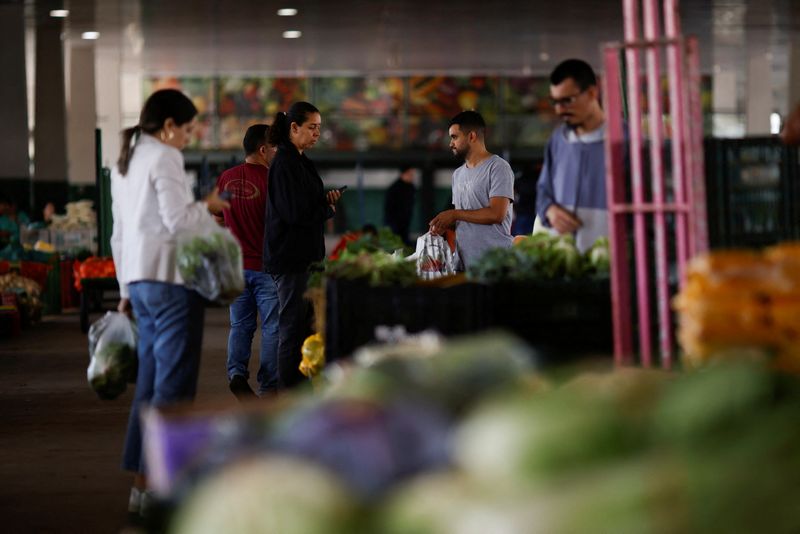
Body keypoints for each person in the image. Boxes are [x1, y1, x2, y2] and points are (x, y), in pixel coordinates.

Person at [109, 89, 229, 519]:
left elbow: (119, 234)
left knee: (151, 387)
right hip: (171, 282)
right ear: (168, 127)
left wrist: (125, 289)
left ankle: (141, 489)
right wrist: (208, 206)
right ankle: (159, 490)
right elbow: (179, 220)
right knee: (174, 389)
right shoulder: (164, 157)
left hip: (140, 283)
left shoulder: (124, 162)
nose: (189, 137)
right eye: (187, 129)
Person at [263, 102, 341, 389]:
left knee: (305, 326)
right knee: (292, 329)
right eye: (312, 127)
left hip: (305, 257)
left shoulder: (299, 160)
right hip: (292, 259)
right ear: (293, 128)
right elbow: (294, 213)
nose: (317, 133)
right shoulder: (285, 163)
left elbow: (304, 204)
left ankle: (302, 386)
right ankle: (289, 392)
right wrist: (327, 211)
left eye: (319, 127)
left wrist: (325, 201)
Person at [213, 124, 279, 399]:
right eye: (274, 148)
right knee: (272, 328)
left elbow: (217, 217)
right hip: (266, 268)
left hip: (235, 267)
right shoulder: (273, 180)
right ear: (263, 150)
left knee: (240, 326)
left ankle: (237, 374)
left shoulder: (226, 178)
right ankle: (268, 386)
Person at [535, 58, 607, 252]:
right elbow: (543, 192)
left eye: (567, 101)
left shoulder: (624, 143)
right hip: (564, 264)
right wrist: (550, 210)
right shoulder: (557, 141)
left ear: (592, 93)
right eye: (555, 102)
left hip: (609, 266)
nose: (560, 110)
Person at [429, 110, 514, 270]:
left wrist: (454, 214)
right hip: (463, 265)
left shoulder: (498, 167)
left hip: (494, 265)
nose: (450, 143)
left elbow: (497, 214)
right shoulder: (458, 174)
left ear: (472, 136)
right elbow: (465, 220)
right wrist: (443, 225)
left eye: (454, 137)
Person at [383, 166, 417, 245]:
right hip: (394, 224)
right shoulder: (394, 189)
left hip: (405, 223)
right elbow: (390, 209)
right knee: (395, 244)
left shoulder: (411, 187)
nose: (412, 177)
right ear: (403, 174)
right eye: (410, 174)